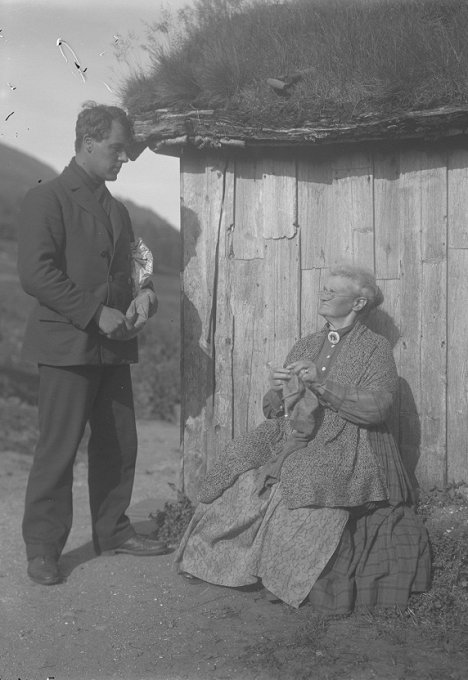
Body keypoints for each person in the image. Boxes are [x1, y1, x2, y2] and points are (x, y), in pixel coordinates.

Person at [175, 265, 431, 612]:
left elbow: (378, 408)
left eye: (332, 291)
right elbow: (273, 410)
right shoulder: (307, 343)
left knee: (302, 471)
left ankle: (278, 574)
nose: (323, 295)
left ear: (358, 303)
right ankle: (209, 559)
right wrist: (280, 391)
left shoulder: (375, 349)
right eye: (323, 289)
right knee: (237, 455)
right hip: (289, 432)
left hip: (347, 439)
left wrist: (321, 384)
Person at [18, 102, 168, 586]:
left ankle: (113, 531)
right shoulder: (48, 199)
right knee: (58, 450)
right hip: (67, 346)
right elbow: (36, 274)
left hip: (114, 347)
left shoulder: (118, 210)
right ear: (87, 144)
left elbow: (132, 269)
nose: (124, 158)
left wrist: (145, 295)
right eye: (116, 148)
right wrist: (91, 313)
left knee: (119, 445)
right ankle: (43, 549)